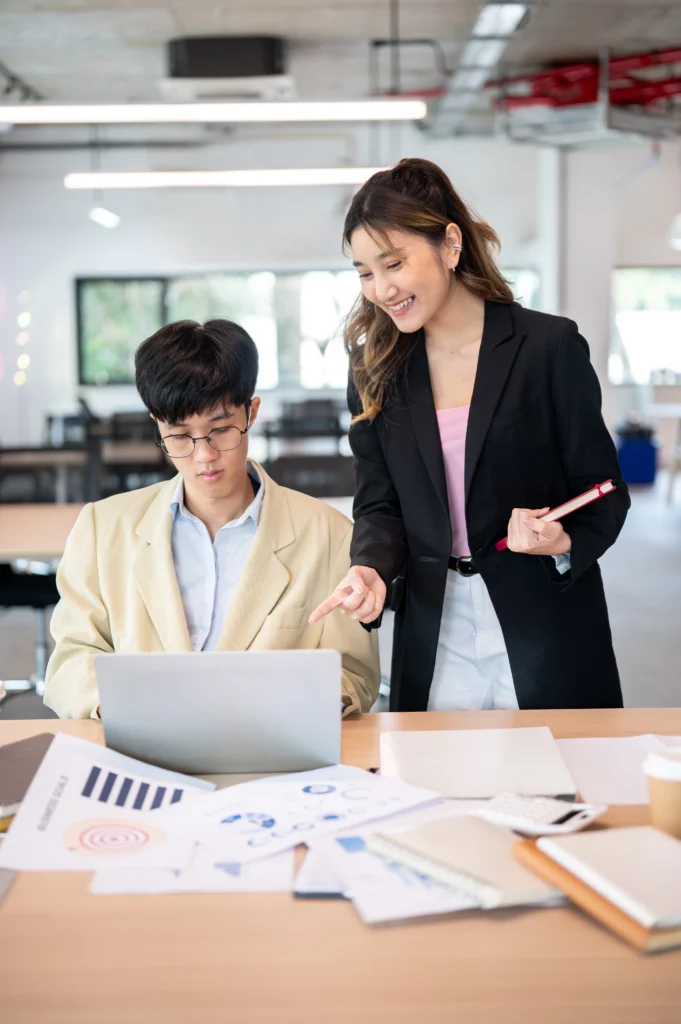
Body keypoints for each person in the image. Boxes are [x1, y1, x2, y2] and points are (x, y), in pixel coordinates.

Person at [310, 158, 630, 712]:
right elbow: (379, 503)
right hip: (436, 625)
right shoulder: (374, 369)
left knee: (560, 764)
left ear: (451, 244)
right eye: (364, 273)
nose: (381, 289)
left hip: (544, 617)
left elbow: (603, 487)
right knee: (435, 768)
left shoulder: (547, 348)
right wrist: (370, 568)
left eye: (394, 263)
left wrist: (560, 539)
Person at [44, 319, 379, 719]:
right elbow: (71, 659)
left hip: (268, 743)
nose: (204, 456)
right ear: (157, 425)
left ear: (251, 413)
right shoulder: (102, 528)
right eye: (179, 435)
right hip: (143, 742)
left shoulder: (332, 537)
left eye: (220, 430)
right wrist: (129, 710)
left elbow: (353, 674)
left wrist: (287, 702)